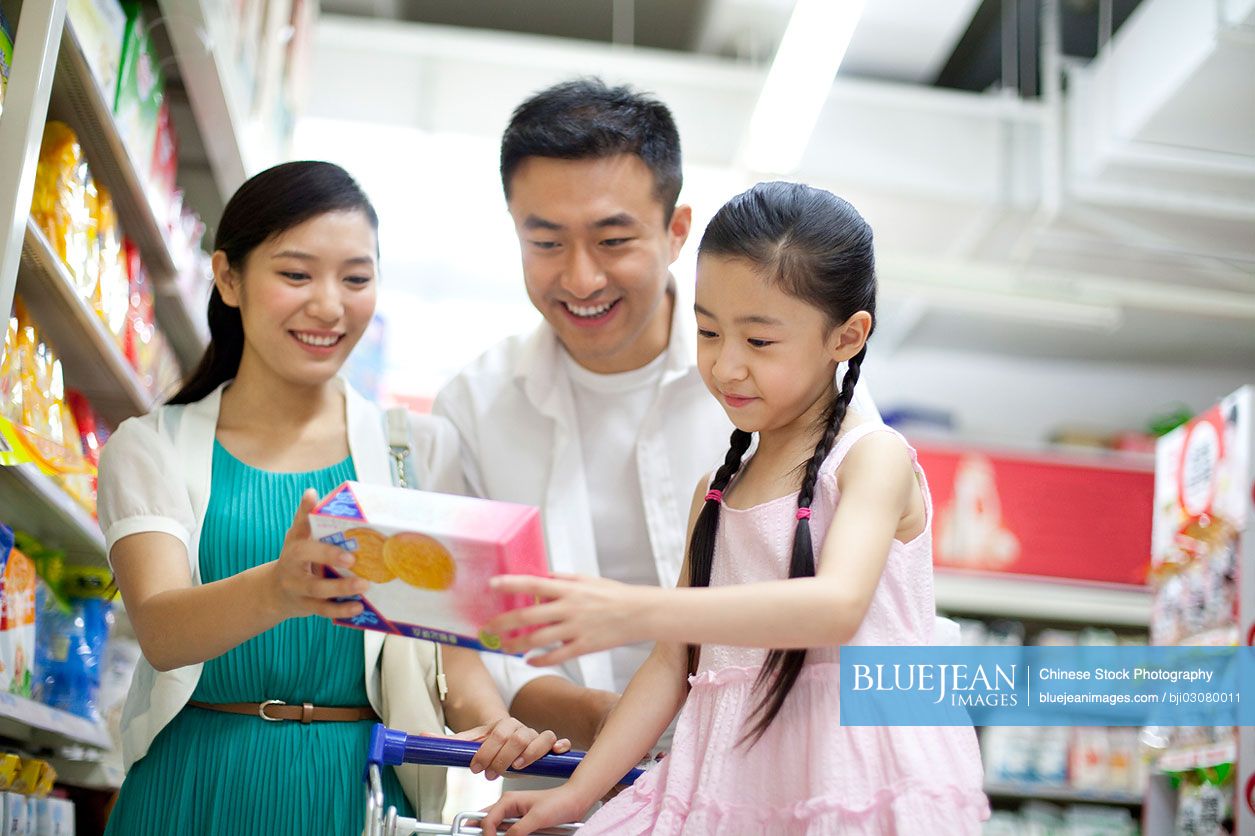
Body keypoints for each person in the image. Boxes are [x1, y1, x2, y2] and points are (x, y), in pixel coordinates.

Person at [478, 182, 990, 835]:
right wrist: (576, 795)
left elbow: (833, 607)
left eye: (759, 341)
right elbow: (671, 663)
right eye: (707, 331)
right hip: (728, 782)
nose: (725, 366)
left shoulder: (872, 457)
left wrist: (630, 609)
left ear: (847, 336)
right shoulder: (716, 493)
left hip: (859, 781)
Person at [97, 161, 566, 835]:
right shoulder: (151, 446)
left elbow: (453, 664)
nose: (329, 305)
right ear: (228, 279)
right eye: (295, 274)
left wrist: (496, 728)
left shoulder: (416, 452)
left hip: (355, 793)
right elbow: (163, 632)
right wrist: (279, 590)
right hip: (192, 785)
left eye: (355, 277)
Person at [432, 79, 877, 751]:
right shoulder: (474, 408)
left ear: (675, 232)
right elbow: (459, 630)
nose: (581, 279)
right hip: (563, 773)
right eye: (546, 243)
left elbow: (873, 600)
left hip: (775, 773)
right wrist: (581, 718)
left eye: (612, 241)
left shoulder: (797, 383)